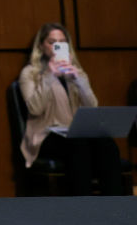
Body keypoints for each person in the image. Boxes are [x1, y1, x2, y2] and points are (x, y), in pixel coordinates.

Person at [18, 23, 123, 195]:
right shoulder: (30, 73)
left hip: (75, 132)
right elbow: (35, 109)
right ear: (41, 46)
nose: (57, 46)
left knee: (107, 143)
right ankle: (82, 203)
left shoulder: (77, 72)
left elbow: (93, 107)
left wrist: (79, 81)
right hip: (46, 135)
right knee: (78, 145)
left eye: (62, 42)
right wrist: (49, 76)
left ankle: (115, 203)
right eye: (52, 42)